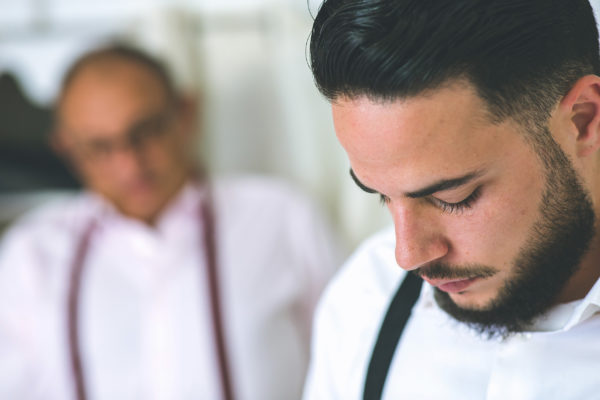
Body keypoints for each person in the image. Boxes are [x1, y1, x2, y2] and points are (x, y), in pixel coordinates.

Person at [0, 44, 341, 400]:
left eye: (145, 132)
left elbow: (350, 357)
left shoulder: (281, 216)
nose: (130, 165)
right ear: (66, 148)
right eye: (100, 147)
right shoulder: (31, 254)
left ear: (186, 114)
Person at [303, 1, 600, 399]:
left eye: (454, 197)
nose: (408, 256)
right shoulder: (365, 299)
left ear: (583, 118)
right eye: (381, 196)